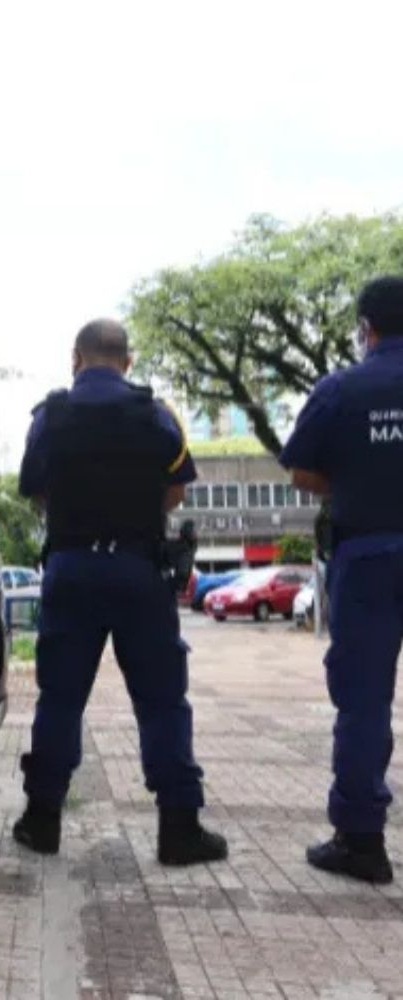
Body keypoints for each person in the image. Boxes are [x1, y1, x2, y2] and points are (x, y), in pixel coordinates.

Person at [12, 319, 227, 864]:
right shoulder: (157, 415)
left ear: (75, 358)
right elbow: (175, 489)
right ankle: (179, 828)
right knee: (162, 701)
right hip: (139, 571)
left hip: (71, 569)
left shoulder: (49, 417)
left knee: (60, 698)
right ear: (128, 363)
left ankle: (42, 819)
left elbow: (34, 489)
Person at [280, 275, 403, 885]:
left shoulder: (342, 389)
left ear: (365, 329)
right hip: (368, 552)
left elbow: (301, 470)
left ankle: (361, 841)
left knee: (363, 699)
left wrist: (355, 479)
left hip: (370, 555)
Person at [168, 519, 198, 597]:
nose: (195, 533)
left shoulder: (191, 546)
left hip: (184, 580)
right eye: (193, 530)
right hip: (180, 581)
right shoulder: (182, 546)